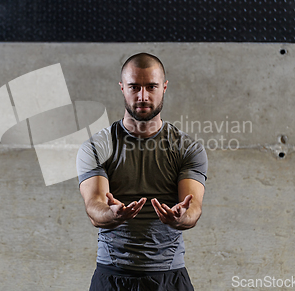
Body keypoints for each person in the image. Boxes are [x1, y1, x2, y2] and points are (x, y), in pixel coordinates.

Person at [76, 53, 208, 291]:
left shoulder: (187, 148)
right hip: (112, 276)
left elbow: (193, 208)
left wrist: (181, 217)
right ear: (122, 88)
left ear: (164, 87)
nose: (143, 96)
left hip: (169, 277)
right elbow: (94, 207)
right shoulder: (97, 146)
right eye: (134, 87)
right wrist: (111, 214)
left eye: (151, 87)